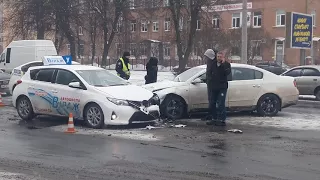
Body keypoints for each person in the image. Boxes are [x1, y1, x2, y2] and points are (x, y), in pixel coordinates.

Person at [204, 49, 231, 126]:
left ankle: (222, 119)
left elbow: (227, 73)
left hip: (222, 87)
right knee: (212, 103)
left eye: (220, 57)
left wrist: (223, 64)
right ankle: (214, 118)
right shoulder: (213, 64)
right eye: (218, 56)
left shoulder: (227, 65)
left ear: (223, 57)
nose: (219, 58)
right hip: (213, 87)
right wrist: (209, 81)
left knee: (220, 103)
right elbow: (209, 74)